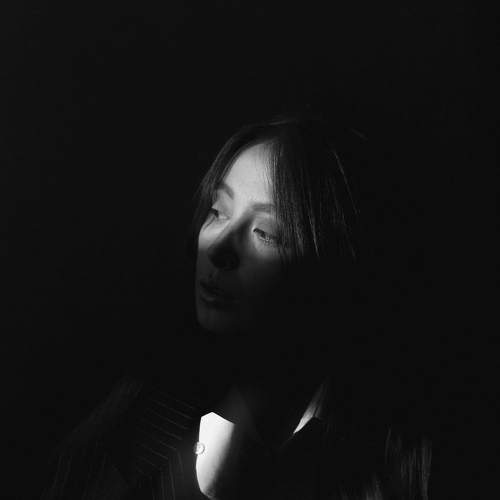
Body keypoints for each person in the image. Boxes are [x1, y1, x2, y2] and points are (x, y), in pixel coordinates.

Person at [39, 112, 432, 499]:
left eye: (266, 232)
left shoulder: (400, 452)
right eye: (217, 212)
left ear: (332, 265)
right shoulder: (131, 422)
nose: (219, 247)